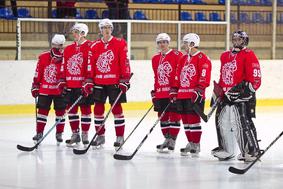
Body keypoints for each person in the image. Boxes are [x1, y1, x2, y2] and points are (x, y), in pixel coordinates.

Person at [211, 30, 262, 162]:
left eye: (239, 39)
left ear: (245, 41)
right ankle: (227, 149)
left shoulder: (248, 54)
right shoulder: (225, 55)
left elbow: (256, 77)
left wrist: (245, 91)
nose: (236, 42)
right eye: (235, 39)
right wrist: (218, 91)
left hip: (240, 97)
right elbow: (223, 76)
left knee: (240, 123)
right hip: (225, 96)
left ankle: (250, 151)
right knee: (222, 122)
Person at [83, 18, 131, 149]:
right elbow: (90, 65)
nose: (107, 30)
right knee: (98, 109)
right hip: (99, 82)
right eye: (104, 27)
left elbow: (125, 61)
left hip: (114, 82)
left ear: (112, 29)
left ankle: (120, 137)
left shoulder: (120, 43)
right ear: (100, 30)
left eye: (109, 27)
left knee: (117, 109)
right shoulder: (94, 45)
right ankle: (100, 136)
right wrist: (88, 80)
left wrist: (125, 79)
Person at [170, 33, 211, 157]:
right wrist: (174, 89)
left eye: (185, 43)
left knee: (194, 121)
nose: (183, 45)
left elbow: (204, 76)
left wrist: (199, 90)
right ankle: (190, 142)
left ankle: (196, 144)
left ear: (192, 44)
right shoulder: (183, 58)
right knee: (186, 121)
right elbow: (178, 75)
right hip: (182, 94)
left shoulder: (203, 58)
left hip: (194, 95)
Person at [58, 23, 93, 147]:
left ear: (83, 33)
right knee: (71, 110)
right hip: (70, 84)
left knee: (85, 110)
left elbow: (91, 66)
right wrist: (62, 80)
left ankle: (85, 134)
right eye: (73, 31)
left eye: (76, 31)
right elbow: (63, 66)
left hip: (83, 85)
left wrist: (89, 81)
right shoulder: (68, 49)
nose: (74, 34)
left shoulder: (91, 46)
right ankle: (75, 134)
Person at [31, 34, 66, 144]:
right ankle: (39, 132)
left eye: (59, 45)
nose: (57, 47)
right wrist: (35, 85)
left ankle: (59, 133)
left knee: (60, 112)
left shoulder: (65, 57)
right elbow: (38, 72)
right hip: (45, 90)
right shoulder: (43, 57)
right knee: (42, 112)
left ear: (62, 46)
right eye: (55, 45)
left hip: (59, 90)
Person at [151, 33, 182, 153]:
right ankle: (167, 139)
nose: (162, 44)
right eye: (159, 42)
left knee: (174, 116)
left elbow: (180, 73)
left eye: (164, 42)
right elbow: (156, 76)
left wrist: (176, 88)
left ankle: (173, 140)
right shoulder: (155, 59)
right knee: (162, 117)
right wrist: (154, 91)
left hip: (172, 92)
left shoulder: (177, 55)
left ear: (168, 43)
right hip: (160, 92)